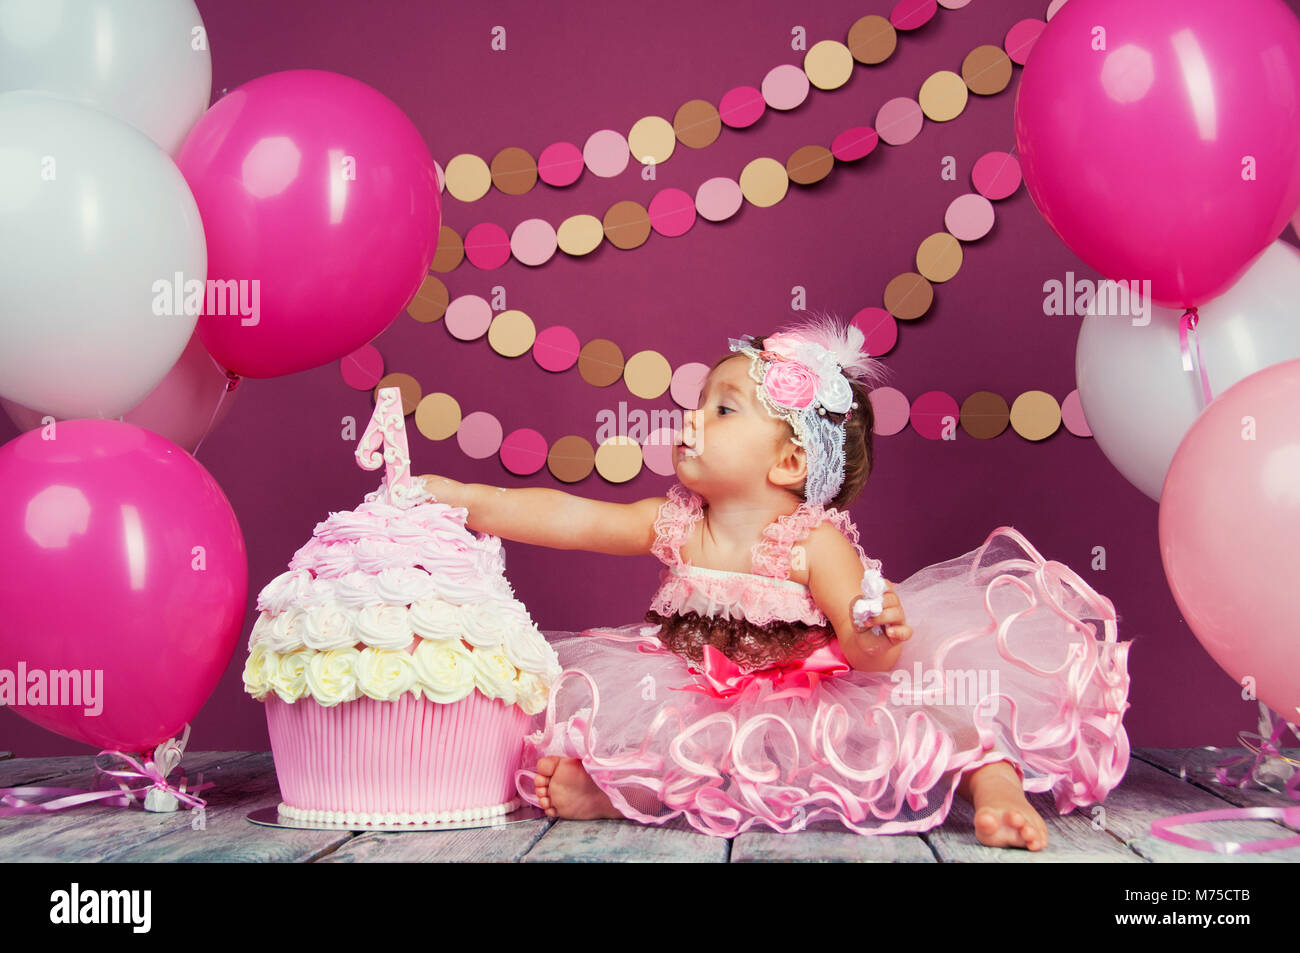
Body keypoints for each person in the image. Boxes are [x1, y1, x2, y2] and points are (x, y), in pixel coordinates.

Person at [419, 314, 1131, 849]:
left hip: (807, 696)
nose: (693, 417)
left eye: (723, 408)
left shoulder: (812, 543)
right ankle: (621, 791)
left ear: (790, 463)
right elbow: (570, 515)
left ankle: (993, 782)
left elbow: (863, 648)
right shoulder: (675, 522)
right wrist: (462, 497)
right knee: (671, 743)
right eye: (701, 401)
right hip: (692, 694)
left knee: (926, 722)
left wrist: (876, 633)